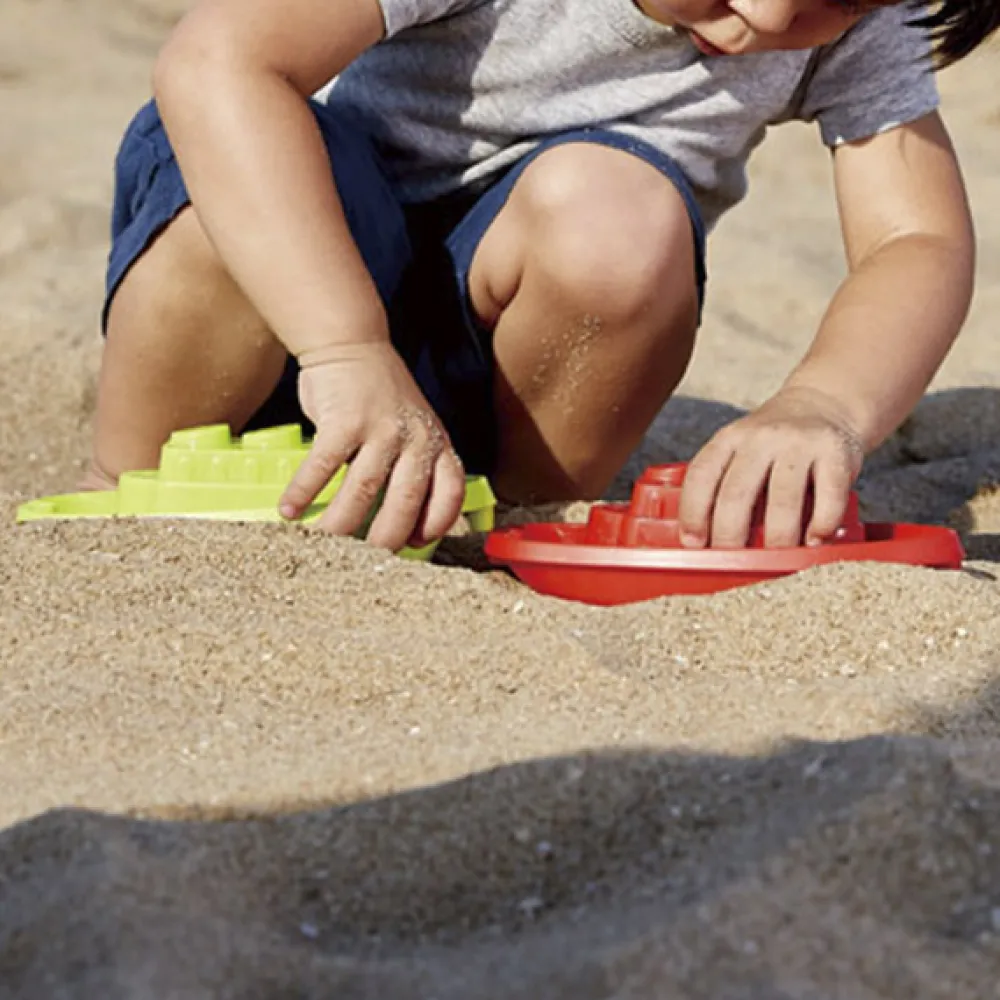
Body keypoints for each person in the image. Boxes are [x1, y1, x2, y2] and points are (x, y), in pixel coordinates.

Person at [85, 0, 997, 552]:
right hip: (285, 307)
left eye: (833, 4)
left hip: (470, 386)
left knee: (619, 219)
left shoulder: (862, 18)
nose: (763, 19)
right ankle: (122, 483)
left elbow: (915, 239)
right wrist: (345, 346)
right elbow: (219, 58)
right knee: (232, 178)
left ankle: (517, 521)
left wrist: (823, 407)